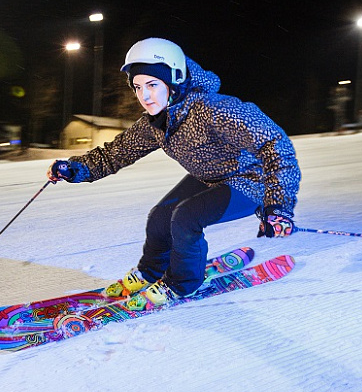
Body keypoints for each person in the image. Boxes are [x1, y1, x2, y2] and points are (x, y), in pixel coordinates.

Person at [47, 38, 301, 311]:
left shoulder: (215, 109)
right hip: (208, 178)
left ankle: (182, 283)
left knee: (186, 218)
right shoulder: (157, 123)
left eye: (153, 85)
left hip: (250, 181)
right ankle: (150, 272)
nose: (144, 96)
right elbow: (114, 154)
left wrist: (278, 206)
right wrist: (74, 169)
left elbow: (275, 145)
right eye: (138, 87)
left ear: (176, 79)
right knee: (160, 216)